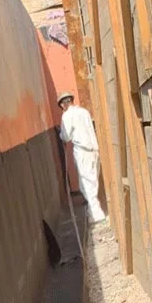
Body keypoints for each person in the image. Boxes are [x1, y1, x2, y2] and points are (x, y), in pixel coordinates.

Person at [57, 92, 107, 224]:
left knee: (86, 183)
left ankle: (97, 214)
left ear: (62, 105)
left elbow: (66, 136)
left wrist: (60, 134)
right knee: (92, 181)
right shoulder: (84, 112)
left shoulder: (67, 115)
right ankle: (93, 213)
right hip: (94, 149)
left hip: (82, 151)